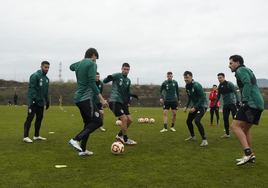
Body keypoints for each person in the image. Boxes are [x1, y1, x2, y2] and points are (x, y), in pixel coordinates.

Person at [68, 48, 108, 156]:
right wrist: (101, 99)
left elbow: (71, 67)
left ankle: (83, 150)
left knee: (88, 124)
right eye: (96, 59)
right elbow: (92, 82)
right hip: (85, 98)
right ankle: (76, 139)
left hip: (78, 99)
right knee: (98, 121)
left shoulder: (79, 64)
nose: (95, 62)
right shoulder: (92, 64)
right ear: (93, 55)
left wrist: (83, 60)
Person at [229, 55, 264, 166]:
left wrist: (244, 101)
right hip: (257, 103)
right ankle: (250, 154)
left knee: (235, 126)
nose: (229, 66)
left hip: (251, 103)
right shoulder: (245, 69)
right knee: (244, 129)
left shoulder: (241, 70)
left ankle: (248, 153)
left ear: (237, 63)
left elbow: (247, 83)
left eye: (231, 63)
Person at [103, 62, 139, 145]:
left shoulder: (128, 80)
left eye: (128, 70)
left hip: (122, 102)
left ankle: (120, 135)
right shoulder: (117, 75)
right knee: (124, 119)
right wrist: (108, 78)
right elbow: (105, 81)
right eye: (124, 69)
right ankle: (125, 139)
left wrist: (133, 94)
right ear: (121, 69)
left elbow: (127, 92)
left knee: (130, 120)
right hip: (114, 101)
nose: (126, 71)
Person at [23, 61, 50, 143]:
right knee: (30, 118)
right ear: (41, 67)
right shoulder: (35, 76)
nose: (47, 69)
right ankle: (26, 136)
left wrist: (47, 101)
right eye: (45, 67)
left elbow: (46, 91)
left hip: (41, 102)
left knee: (39, 118)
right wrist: (33, 99)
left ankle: (36, 135)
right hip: (33, 101)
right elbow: (31, 87)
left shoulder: (46, 79)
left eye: (48, 67)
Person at [183, 71, 208, 147]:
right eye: (184, 77)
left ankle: (204, 140)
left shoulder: (197, 85)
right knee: (188, 121)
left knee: (197, 120)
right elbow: (189, 97)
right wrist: (186, 106)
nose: (185, 79)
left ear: (191, 77)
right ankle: (192, 136)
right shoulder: (187, 86)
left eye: (187, 77)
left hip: (202, 105)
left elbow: (203, 98)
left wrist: (195, 107)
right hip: (195, 106)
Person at [214, 73, 240, 138]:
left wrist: (237, 101)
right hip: (225, 105)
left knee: (235, 119)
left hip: (232, 104)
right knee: (225, 118)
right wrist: (215, 104)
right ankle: (227, 134)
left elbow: (235, 92)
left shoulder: (229, 84)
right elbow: (218, 96)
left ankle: (239, 133)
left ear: (224, 77)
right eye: (218, 78)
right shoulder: (219, 87)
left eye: (220, 78)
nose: (219, 79)